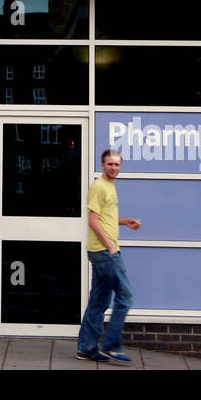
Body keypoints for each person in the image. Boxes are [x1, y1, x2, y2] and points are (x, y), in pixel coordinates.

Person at [77, 149, 141, 362]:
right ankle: (111, 346)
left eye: (117, 164)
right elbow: (93, 219)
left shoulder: (110, 187)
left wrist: (124, 221)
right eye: (110, 164)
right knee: (126, 296)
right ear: (102, 165)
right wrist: (110, 247)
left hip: (101, 251)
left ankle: (86, 348)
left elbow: (105, 217)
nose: (114, 168)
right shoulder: (99, 187)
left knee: (98, 301)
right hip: (105, 252)